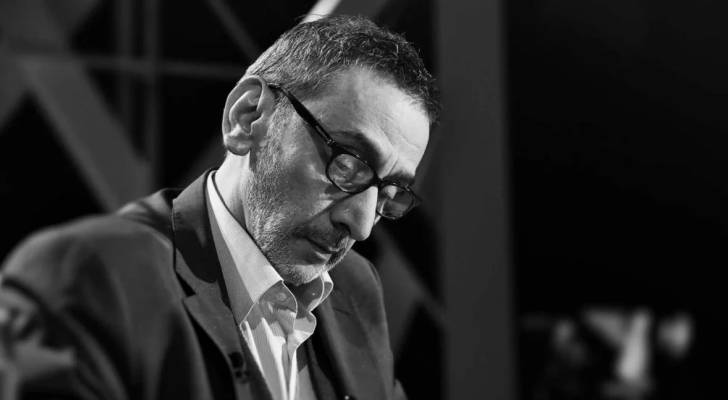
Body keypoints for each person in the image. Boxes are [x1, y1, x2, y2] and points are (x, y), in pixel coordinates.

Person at [0, 15, 439, 400]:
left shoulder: (355, 288)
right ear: (248, 118)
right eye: (348, 165)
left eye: (389, 193)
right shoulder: (90, 277)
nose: (361, 225)